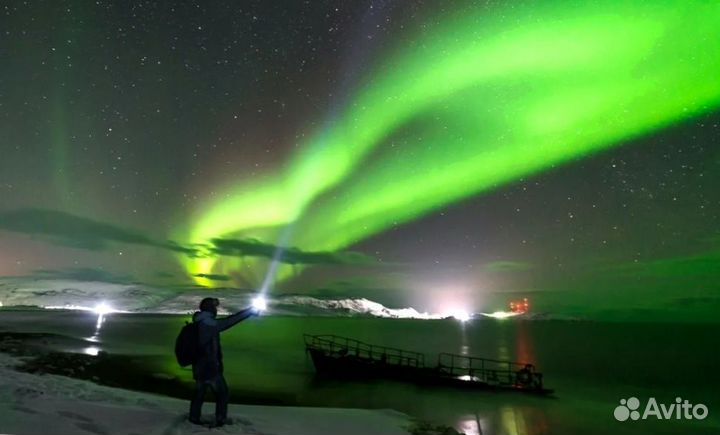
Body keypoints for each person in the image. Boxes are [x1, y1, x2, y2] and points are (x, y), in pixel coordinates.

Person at [189, 297, 258, 427]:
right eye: (214, 307)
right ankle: (220, 420)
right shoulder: (208, 324)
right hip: (209, 367)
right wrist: (249, 312)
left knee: (199, 393)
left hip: (198, 366)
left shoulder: (199, 321)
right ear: (210, 308)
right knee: (222, 393)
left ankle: (194, 418)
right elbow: (228, 322)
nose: (216, 309)